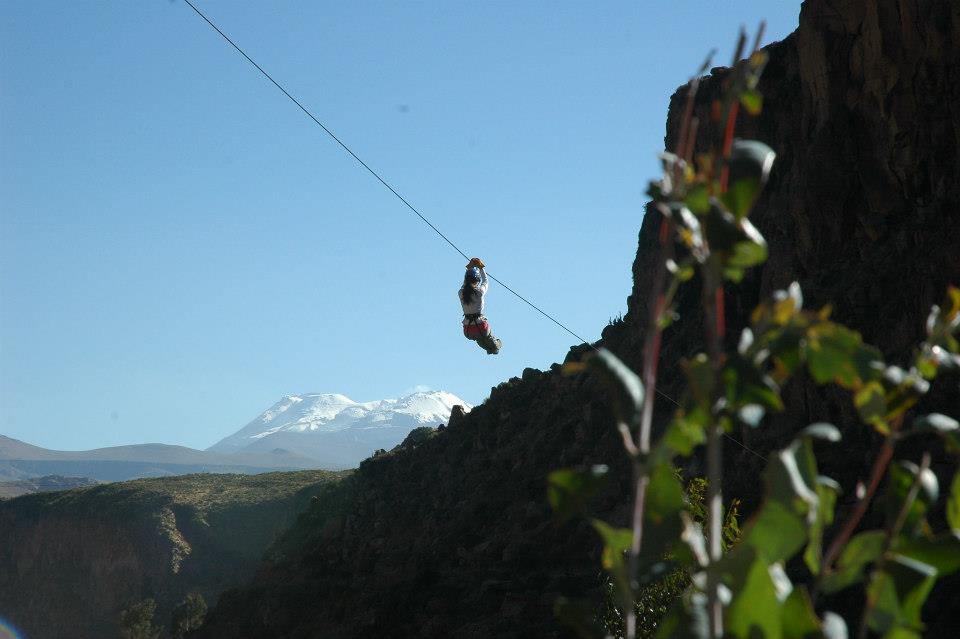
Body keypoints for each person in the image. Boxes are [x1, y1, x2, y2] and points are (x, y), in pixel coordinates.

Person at [459, 257, 502, 355]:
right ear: (477, 281)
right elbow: (485, 281)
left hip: (468, 330)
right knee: (492, 341)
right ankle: (495, 347)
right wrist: (481, 268)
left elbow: (465, 284)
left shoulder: (461, 292)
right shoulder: (479, 292)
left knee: (479, 339)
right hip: (481, 327)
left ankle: (490, 349)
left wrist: (469, 269)